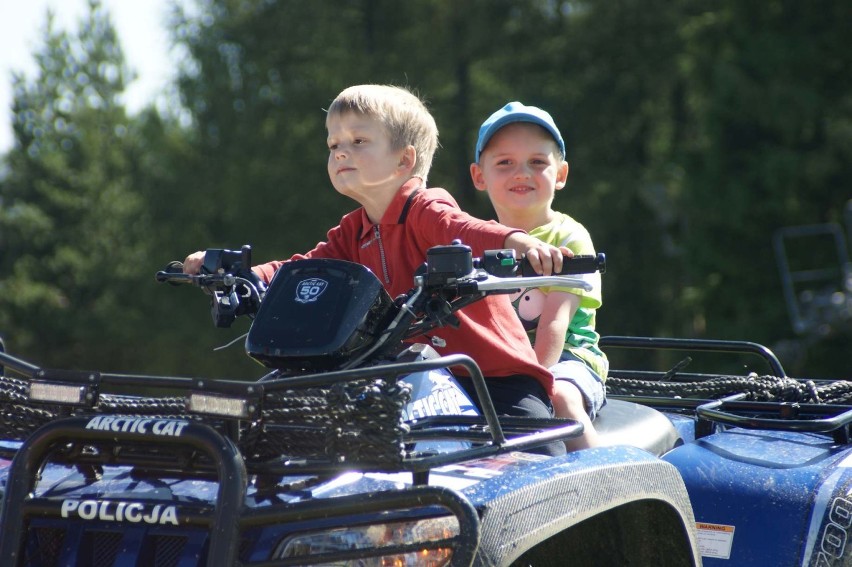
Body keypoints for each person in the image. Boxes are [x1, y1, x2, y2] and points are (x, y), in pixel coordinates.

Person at [183, 85, 573, 456]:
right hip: (419, 380)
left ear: (404, 160)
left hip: (496, 381)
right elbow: (303, 269)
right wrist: (243, 275)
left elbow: (462, 228)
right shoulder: (354, 230)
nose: (340, 153)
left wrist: (515, 241)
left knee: (534, 465)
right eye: (334, 144)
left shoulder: (424, 207)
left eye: (358, 142)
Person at [470, 101, 608, 450]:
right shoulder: (475, 240)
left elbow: (554, 325)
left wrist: (533, 380)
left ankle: (606, 485)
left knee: (561, 397)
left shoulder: (569, 239)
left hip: (566, 360)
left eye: (537, 162)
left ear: (560, 175)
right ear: (479, 176)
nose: (522, 173)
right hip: (502, 366)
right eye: (505, 163)